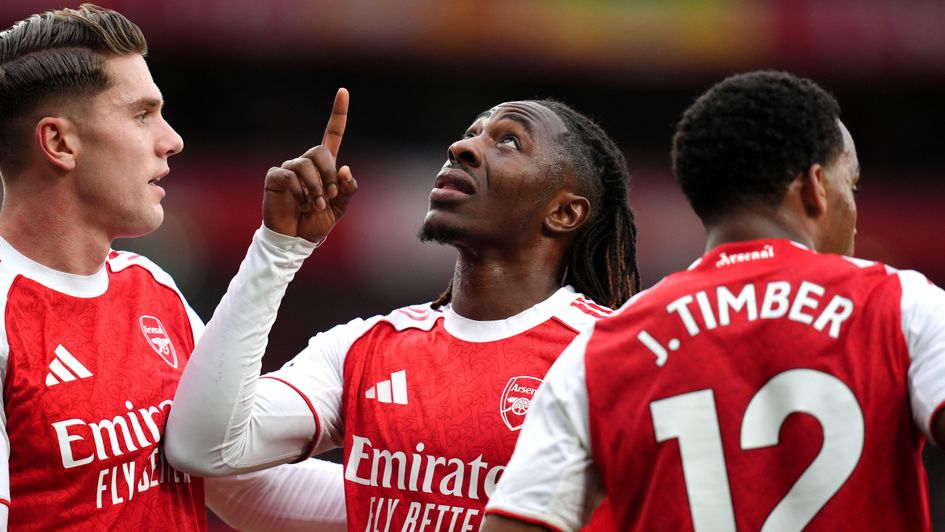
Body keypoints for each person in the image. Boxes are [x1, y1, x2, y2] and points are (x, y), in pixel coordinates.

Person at [481, 70, 945, 531]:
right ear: (815, 187)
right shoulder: (900, 306)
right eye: (853, 185)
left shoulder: (601, 349)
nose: (856, 210)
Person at [163, 91, 642, 530]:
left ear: (564, 213)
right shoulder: (364, 347)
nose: (463, 147)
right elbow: (204, 446)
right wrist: (278, 248)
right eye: (471, 132)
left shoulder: (608, 355)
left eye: (509, 141)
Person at [0, 4, 346, 530]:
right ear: (59, 142)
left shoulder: (151, 288)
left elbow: (238, 482)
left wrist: (435, 505)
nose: (172, 140)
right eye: (142, 115)